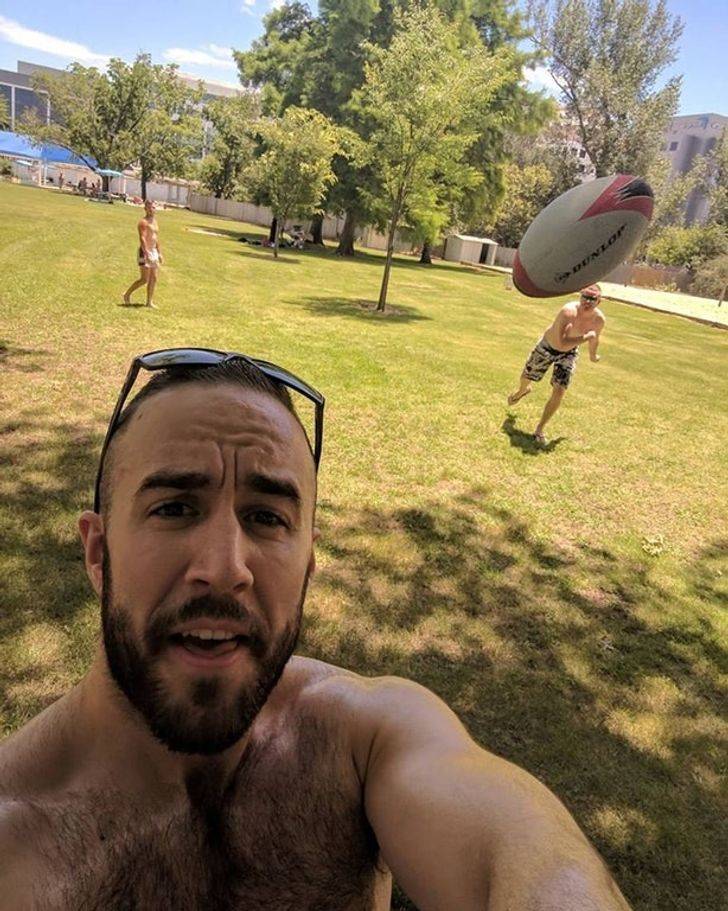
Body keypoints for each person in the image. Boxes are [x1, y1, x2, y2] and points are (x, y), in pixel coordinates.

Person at [0, 350, 631, 910]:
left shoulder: (365, 741)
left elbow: (523, 853)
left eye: (268, 517)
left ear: (308, 560)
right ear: (98, 552)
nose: (225, 569)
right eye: (173, 508)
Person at [507, 285, 606, 444]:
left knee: (560, 390)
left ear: (599, 301)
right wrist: (586, 337)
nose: (587, 301)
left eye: (592, 299)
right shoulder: (568, 311)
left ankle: (539, 429)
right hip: (548, 346)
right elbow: (561, 342)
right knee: (527, 376)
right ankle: (522, 391)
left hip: (569, 353)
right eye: (584, 297)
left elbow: (595, 338)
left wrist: (593, 355)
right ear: (580, 296)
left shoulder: (599, 319)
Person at [123, 198, 164, 308]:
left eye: (153, 207)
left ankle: (149, 302)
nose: (152, 209)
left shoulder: (155, 222)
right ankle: (126, 295)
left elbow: (156, 238)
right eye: (149, 207)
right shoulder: (143, 222)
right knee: (144, 279)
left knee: (154, 278)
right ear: (145, 208)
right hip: (144, 252)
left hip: (153, 251)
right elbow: (142, 239)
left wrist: (159, 253)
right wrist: (146, 254)